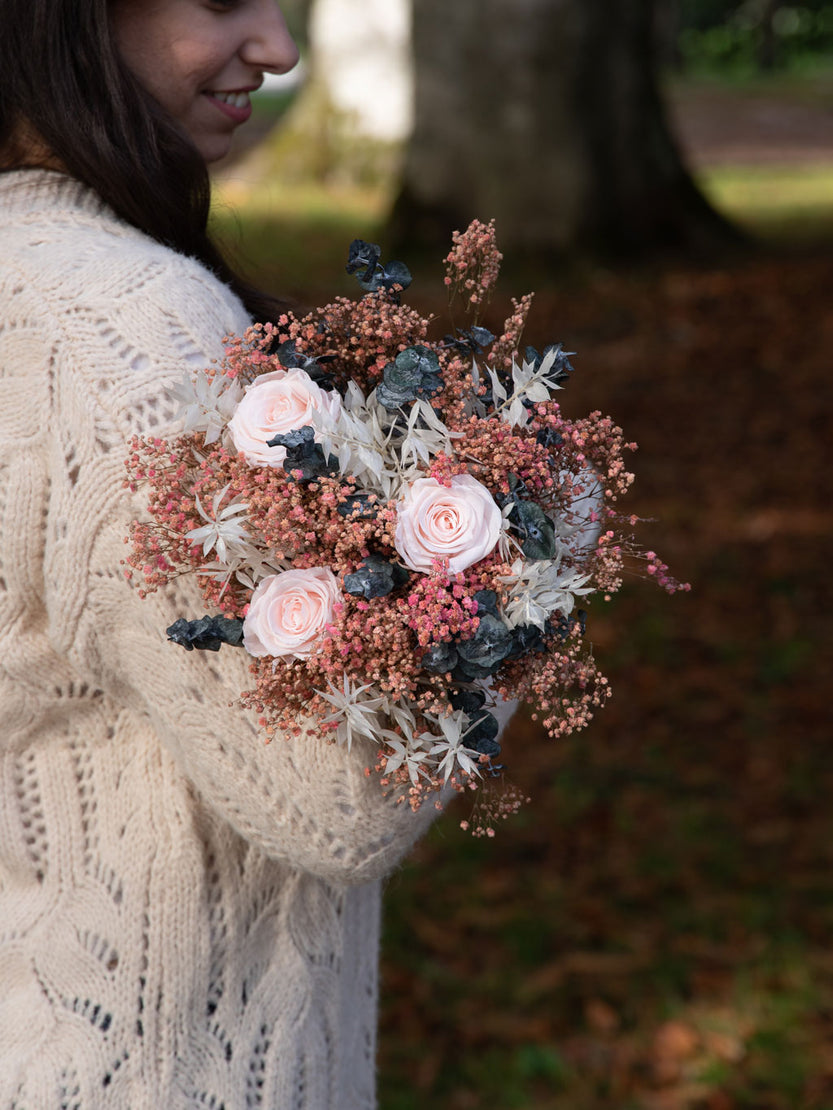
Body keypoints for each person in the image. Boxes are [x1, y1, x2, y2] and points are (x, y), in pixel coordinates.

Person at [0, 2, 463, 1106]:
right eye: (220, 2)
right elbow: (335, 802)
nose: (277, 48)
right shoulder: (129, 329)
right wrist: (508, 555)